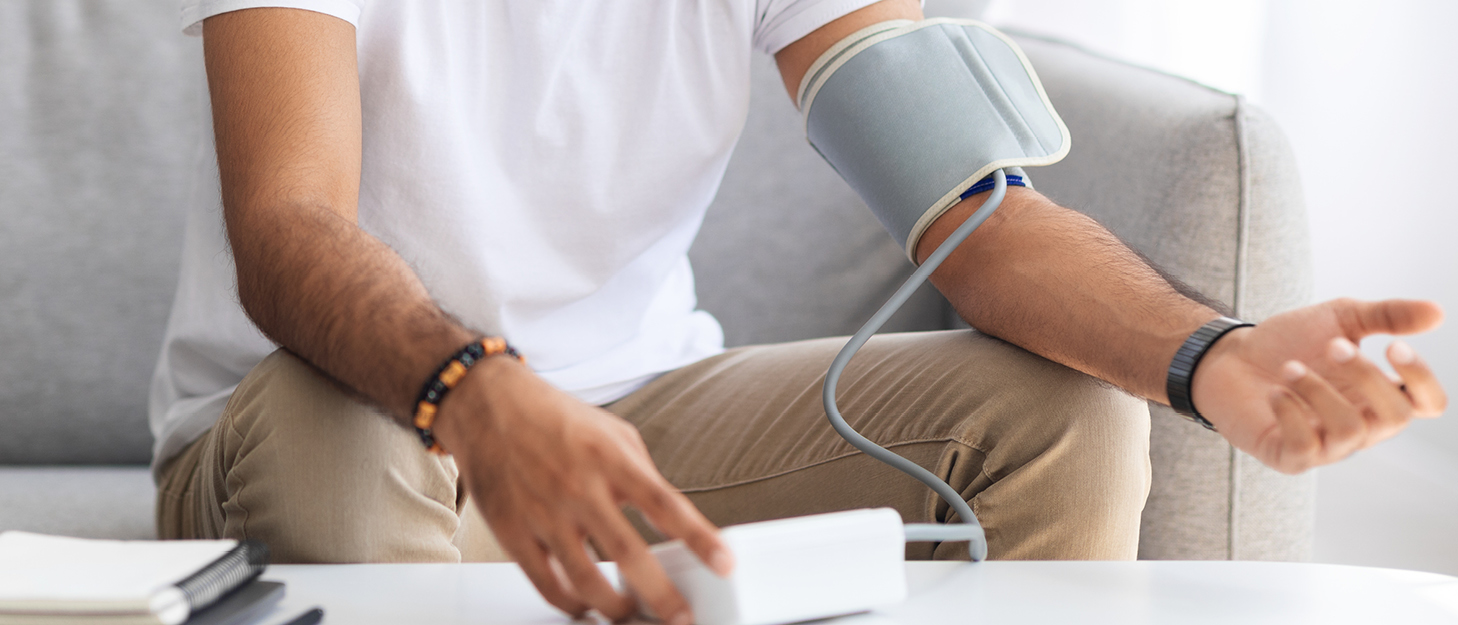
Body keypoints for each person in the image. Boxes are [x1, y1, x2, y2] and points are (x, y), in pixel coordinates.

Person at [151, 1, 1446, 623]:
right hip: (338, 411)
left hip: (633, 412)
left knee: (1059, 416)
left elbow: (975, 219)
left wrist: (1208, 355)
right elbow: (288, 230)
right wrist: (478, 391)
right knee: (353, 432)